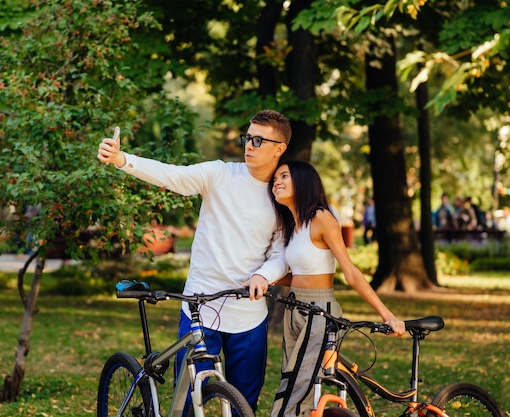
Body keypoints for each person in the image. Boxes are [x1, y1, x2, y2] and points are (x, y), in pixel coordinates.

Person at [97, 110, 291, 412]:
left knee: (245, 405)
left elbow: (281, 254)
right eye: (247, 138)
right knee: (188, 400)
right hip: (200, 306)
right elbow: (173, 175)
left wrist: (265, 275)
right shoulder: (221, 174)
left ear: (279, 148)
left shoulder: (281, 195)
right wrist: (123, 160)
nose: (249, 145)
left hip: (249, 315)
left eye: (258, 140)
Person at [268, 160, 405, 417]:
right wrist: (271, 280)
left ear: (303, 181)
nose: (277, 181)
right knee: (293, 380)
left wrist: (386, 314)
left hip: (320, 311)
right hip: (294, 307)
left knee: (297, 388)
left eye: (284, 176)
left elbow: (350, 272)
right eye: (275, 178)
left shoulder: (321, 218)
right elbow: (300, 275)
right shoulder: (292, 225)